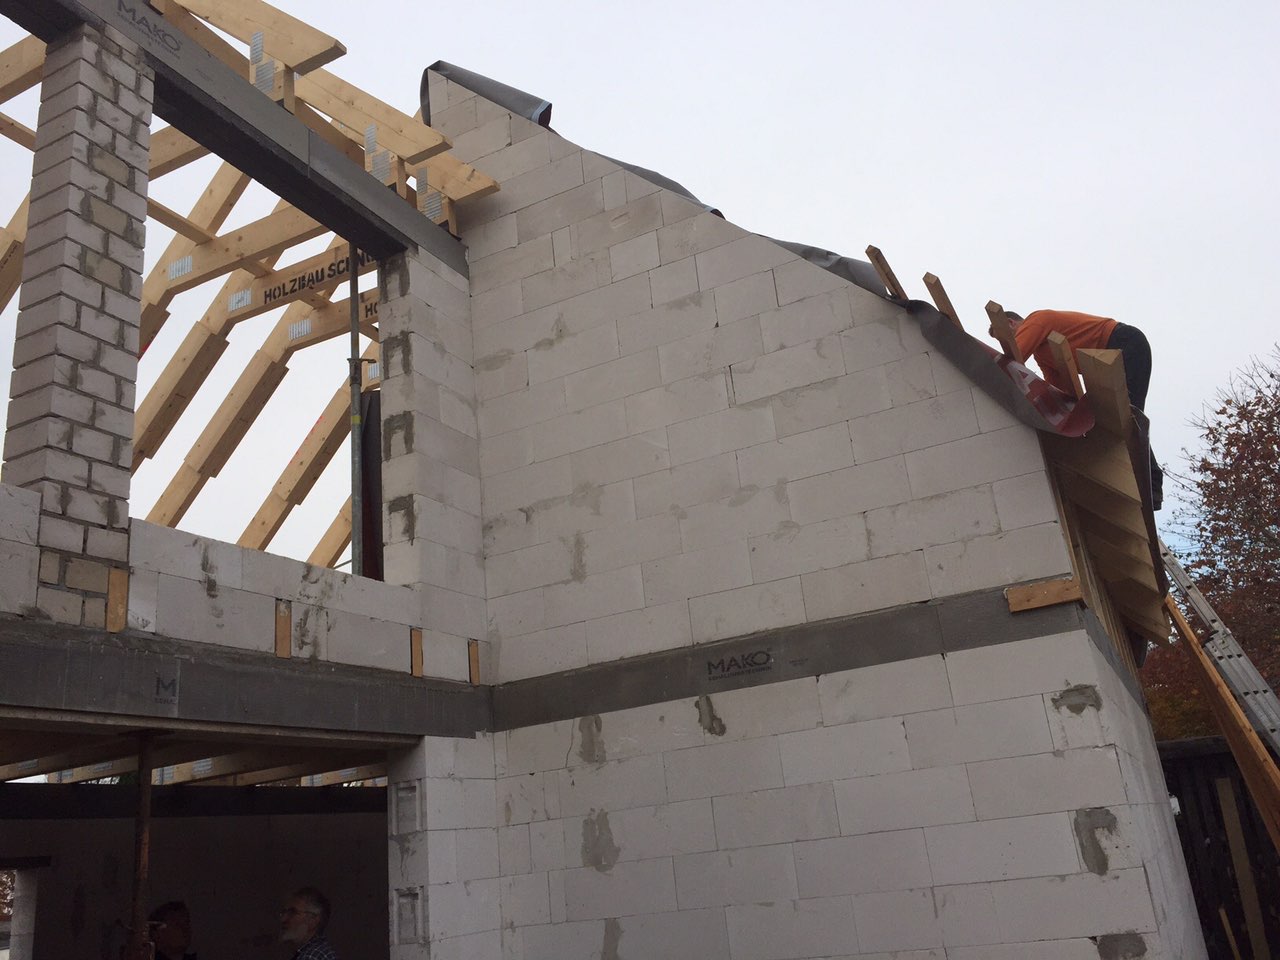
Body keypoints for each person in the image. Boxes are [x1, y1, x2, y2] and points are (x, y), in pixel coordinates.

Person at [999, 308, 1162, 508]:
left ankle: (1151, 484)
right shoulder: (1043, 355)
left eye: (1004, 336)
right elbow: (1060, 391)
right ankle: (1147, 484)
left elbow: (1014, 357)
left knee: (1127, 417)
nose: (1006, 343)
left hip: (1124, 343)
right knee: (1121, 421)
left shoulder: (1037, 319)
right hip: (1112, 355)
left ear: (1010, 323)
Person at [279, 887, 338, 960]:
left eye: (292, 912)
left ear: (312, 921)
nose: (283, 919)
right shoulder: (318, 951)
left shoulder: (312, 956)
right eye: (284, 912)